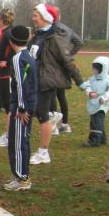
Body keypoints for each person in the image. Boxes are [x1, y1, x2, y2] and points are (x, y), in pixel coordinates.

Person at [28, 4, 87, 165]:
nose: (33, 18)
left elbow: (68, 61)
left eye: (36, 15)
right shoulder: (37, 36)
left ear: (45, 18)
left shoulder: (54, 38)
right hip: (34, 81)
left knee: (42, 115)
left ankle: (43, 152)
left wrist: (82, 84)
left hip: (46, 82)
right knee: (33, 112)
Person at [3, 25, 38, 191]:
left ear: (11, 41)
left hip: (21, 107)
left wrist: (22, 108)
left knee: (17, 143)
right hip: (28, 103)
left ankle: (21, 177)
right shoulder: (28, 55)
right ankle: (21, 175)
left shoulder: (18, 59)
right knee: (22, 140)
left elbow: (21, 85)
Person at [49, 7, 83, 135]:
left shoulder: (51, 29)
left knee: (52, 94)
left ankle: (53, 125)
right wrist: (69, 54)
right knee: (61, 95)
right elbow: (79, 42)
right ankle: (65, 124)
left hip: (53, 64)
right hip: (65, 64)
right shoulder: (68, 29)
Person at [0, 9, 16, 148]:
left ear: (2, 19)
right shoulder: (6, 32)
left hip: (6, 73)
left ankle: (9, 136)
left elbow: (17, 50)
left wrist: (7, 62)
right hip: (3, 72)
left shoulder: (8, 33)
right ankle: (8, 133)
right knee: (8, 106)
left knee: (9, 106)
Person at [83, 56, 109, 146]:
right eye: (93, 68)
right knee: (96, 120)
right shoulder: (92, 78)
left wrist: (104, 98)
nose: (94, 70)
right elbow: (86, 86)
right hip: (93, 103)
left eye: (96, 68)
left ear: (102, 69)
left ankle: (94, 140)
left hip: (102, 104)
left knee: (97, 121)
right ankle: (102, 138)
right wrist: (90, 92)